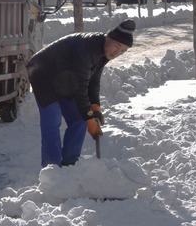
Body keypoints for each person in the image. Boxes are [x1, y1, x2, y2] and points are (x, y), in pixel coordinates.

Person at [26, 20, 135, 167]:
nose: (117, 52)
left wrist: (95, 106)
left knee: (79, 119)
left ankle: (69, 162)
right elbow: (80, 85)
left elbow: (94, 79)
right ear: (108, 37)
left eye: (123, 50)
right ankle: (51, 168)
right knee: (52, 123)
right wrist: (89, 116)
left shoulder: (104, 51)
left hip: (63, 77)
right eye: (117, 46)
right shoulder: (89, 47)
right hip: (43, 74)